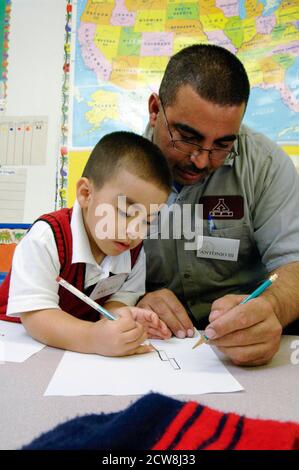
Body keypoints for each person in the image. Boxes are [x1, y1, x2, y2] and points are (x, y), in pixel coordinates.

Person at [138, 44, 299, 366]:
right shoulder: (116, 169)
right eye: (187, 137)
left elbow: (293, 265)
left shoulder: (265, 165)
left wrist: (272, 308)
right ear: (155, 109)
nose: (201, 161)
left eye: (223, 144)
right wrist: (130, 298)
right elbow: (88, 272)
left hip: (246, 353)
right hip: (152, 349)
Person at [0, 131, 172, 357]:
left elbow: (116, 301)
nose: (134, 231)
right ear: (86, 193)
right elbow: (36, 316)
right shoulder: (47, 237)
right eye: (126, 212)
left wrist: (121, 319)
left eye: (147, 221)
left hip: (74, 355)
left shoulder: (133, 253)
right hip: (17, 344)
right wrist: (93, 338)